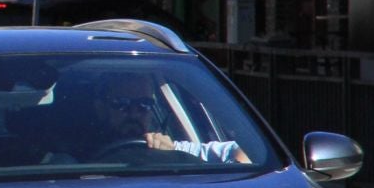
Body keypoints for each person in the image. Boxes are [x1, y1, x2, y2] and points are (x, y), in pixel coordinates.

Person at [81, 75, 249, 163]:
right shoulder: (70, 158)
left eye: (144, 105)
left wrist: (170, 156)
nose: (134, 114)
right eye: (121, 104)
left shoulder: (168, 149)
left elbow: (248, 149)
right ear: (100, 107)